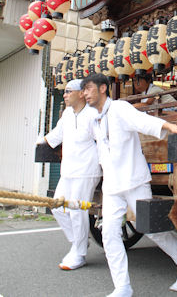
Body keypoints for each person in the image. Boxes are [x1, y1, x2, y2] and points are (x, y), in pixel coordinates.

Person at [81, 73, 177, 297]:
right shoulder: (94, 118)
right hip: (112, 186)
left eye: (88, 88)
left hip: (134, 180)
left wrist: (172, 128)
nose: (85, 93)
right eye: (83, 90)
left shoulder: (120, 109)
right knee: (109, 234)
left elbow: (145, 122)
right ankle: (122, 287)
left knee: (152, 231)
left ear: (103, 88)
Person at [37, 79, 102, 271]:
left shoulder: (92, 114)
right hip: (68, 170)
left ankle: (79, 253)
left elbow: (103, 140)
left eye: (68, 91)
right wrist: (39, 143)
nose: (64, 95)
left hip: (86, 170)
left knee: (76, 210)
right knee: (56, 206)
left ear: (81, 93)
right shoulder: (66, 114)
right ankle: (78, 242)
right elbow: (55, 136)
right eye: (64, 92)